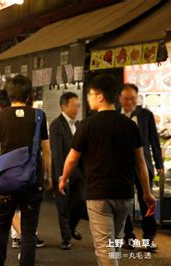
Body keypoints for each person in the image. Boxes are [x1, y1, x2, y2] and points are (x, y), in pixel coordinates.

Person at [59, 74, 156, 266]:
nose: (88, 99)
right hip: (125, 195)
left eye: (90, 95)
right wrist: (147, 193)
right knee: (114, 243)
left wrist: (63, 179)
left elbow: (72, 159)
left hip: (98, 195)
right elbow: (141, 162)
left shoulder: (87, 124)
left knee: (105, 248)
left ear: (100, 96)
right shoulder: (130, 125)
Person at [0, 75, 52, 266]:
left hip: (7, 181)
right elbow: (46, 150)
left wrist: (3, 165)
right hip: (33, 180)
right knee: (29, 230)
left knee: (1, 228)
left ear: (9, 94)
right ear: (30, 94)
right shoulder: (39, 116)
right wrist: (47, 176)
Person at [119, 83, 162, 251]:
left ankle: (149, 237)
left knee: (147, 200)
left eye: (132, 98)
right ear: (120, 99)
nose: (129, 101)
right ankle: (128, 235)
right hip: (122, 168)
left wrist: (158, 162)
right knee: (125, 202)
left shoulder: (145, 115)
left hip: (143, 165)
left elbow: (154, 140)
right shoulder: (116, 116)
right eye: (126, 98)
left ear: (137, 99)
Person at [50, 92, 87, 250]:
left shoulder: (78, 124)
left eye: (78, 105)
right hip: (62, 172)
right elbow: (57, 153)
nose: (77, 108)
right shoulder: (56, 124)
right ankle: (66, 238)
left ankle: (70, 228)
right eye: (74, 105)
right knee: (63, 207)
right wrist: (60, 176)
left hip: (78, 172)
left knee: (81, 200)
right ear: (63, 106)